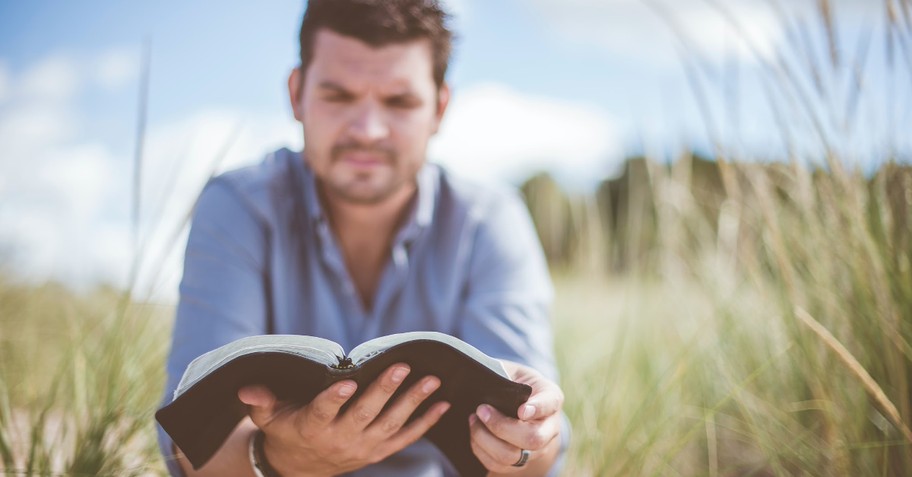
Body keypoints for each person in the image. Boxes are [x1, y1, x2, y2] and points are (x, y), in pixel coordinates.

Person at [157, 0, 568, 475]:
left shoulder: (490, 221)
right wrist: (286, 460)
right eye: (339, 96)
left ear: (439, 107)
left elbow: (538, 460)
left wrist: (528, 435)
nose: (368, 131)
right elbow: (186, 448)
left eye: (399, 102)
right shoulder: (237, 205)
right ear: (296, 94)